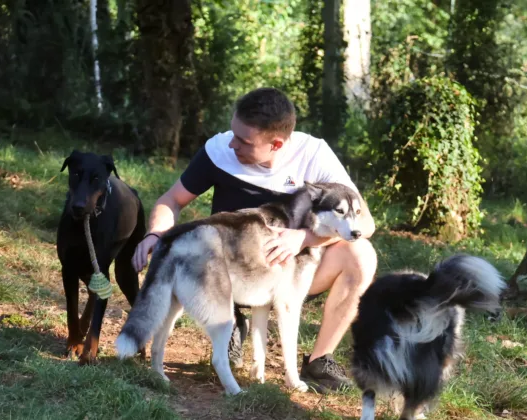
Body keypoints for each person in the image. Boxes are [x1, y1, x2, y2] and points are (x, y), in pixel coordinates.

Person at [132, 87, 377, 393]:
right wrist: (155, 233)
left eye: (244, 141)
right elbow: (172, 199)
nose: (233, 143)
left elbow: (364, 222)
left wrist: (303, 237)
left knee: (362, 254)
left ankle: (319, 360)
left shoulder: (313, 155)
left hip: (290, 271)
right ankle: (232, 322)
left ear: (276, 144)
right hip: (228, 269)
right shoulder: (220, 150)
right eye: (234, 133)